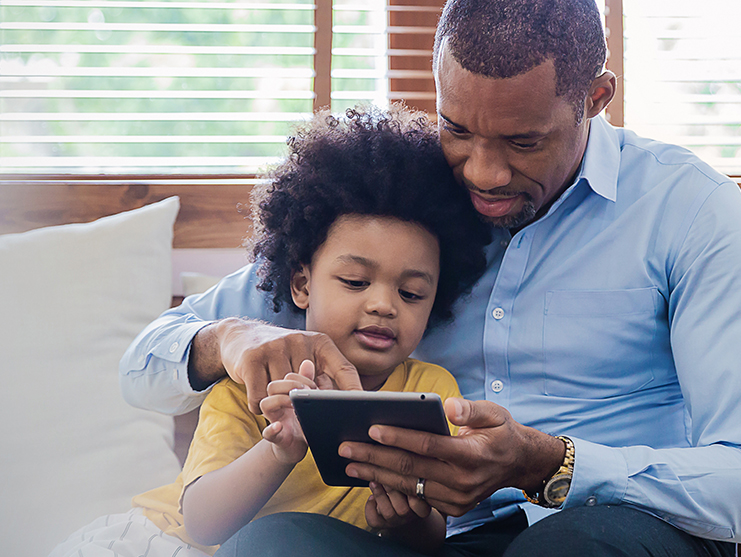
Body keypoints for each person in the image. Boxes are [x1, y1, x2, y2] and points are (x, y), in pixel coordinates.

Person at [121, 1, 741, 555]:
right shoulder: (408, 207)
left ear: (596, 97)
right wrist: (229, 338)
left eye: (523, 141)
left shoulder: (691, 209)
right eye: (457, 129)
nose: (482, 172)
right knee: (271, 545)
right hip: (435, 539)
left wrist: (549, 463)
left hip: (615, 527)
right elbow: (141, 363)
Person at [51, 104, 491, 557]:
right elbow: (202, 523)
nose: (384, 304)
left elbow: (432, 535)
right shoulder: (255, 382)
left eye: (412, 294)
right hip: (167, 542)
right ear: (302, 285)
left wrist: (405, 521)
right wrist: (280, 449)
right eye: (356, 282)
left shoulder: (431, 391)